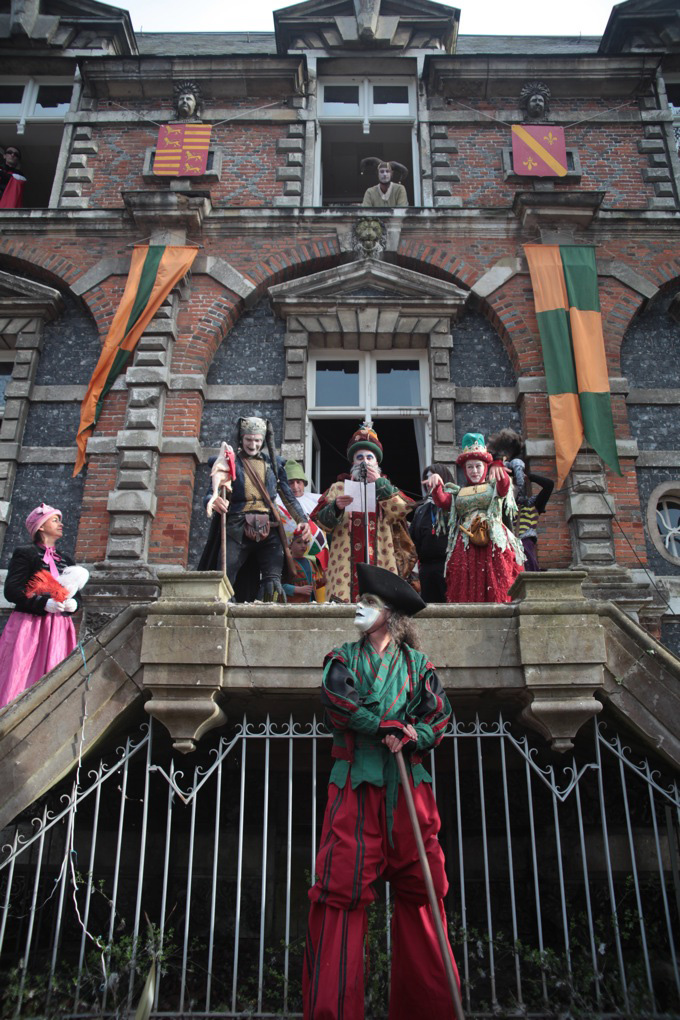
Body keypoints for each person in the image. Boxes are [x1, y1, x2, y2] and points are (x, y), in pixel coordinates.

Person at [303, 562, 459, 1020]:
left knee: (423, 888)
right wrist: (382, 724)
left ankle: (430, 1010)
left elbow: (439, 716)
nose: (358, 606)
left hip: (409, 789)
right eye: (361, 599)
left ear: (389, 615)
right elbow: (339, 701)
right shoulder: (342, 659)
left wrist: (411, 735)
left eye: (368, 602)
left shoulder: (418, 666)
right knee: (342, 889)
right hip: (356, 787)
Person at [197, 415, 310, 600]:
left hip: (270, 525)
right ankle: (222, 609)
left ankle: (268, 613)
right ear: (241, 438)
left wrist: (302, 520)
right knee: (225, 574)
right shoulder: (229, 462)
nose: (253, 444)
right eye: (249, 439)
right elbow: (212, 492)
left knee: (273, 577)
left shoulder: (274, 464)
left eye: (257, 440)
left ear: (263, 440)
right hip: (237, 524)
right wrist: (213, 500)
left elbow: (287, 496)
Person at [311, 422, 415, 603]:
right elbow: (320, 522)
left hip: (382, 556)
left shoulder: (387, 487)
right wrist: (336, 507)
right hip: (344, 564)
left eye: (369, 457)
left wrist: (380, 485)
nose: (365, 462)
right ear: (353, 462)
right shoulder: (339, 488)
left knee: (380, 607)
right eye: (360, 457)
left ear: (377, 463)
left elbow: (402, 510)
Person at [0, 504, 88, 708]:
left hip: (58, 628)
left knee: (55, 671)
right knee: (20, 670)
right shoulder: (26, 553)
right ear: (40, 526)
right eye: (55, 520)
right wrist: (43, 603)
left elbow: (79, 598)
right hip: (29, 626)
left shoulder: (65, 559)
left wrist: (73, 604)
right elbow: (12, 590)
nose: (61, 524)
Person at [426, 432, 525, 603]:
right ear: (465, 469)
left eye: (478, 466)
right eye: (470, 467)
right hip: (466, 541)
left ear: (485, 467)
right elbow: (443, 501)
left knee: (498, 579)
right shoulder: (458, 492)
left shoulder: (493, 486)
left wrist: (498, 465)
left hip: (494, 540)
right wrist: (436, 483)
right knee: (464, 578)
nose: (474, 471)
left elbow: (503, 488)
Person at [409, 463, 453, 603]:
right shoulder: (421, 510)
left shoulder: (454, 503)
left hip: (449, 568)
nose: (429, 482)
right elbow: (412, 541)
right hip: (426, 571)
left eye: (433, 477)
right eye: (427, 479)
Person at [282, 526, 325, 603]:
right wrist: (298, 590)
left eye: (305, 542)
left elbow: (312, 585)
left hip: (309, 605)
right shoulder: (286, 563)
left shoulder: (311, 562)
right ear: (290, 545)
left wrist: (322, 581)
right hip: (292, 606)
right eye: (299, 542)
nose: (303, 545)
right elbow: (280, 586)